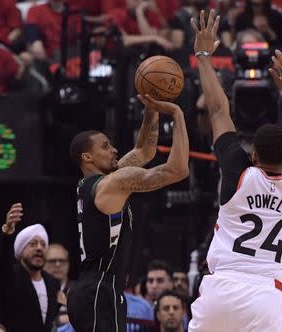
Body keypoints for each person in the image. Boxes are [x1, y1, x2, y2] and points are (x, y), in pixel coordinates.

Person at [188, 9, 282, 332]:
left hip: (221, 287)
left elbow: (217, 109)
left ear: (252, 153)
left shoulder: (238, 173)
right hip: (265, 293)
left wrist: (203, 55)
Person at [66, 94, 189, 332]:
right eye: (105, 146)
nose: (113, 150)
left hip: (93, 288)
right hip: (99, 289)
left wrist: (151, 109)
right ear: (87, 157)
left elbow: (143, 151)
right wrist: (177, 115)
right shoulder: (112, 183)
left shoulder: (95, 183)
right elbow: (178, 169)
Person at [0, 203, 61, 332]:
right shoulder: (10, 277)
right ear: (20, 250)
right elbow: (3, 262)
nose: (39, 248)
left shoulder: (53, 283)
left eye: (43, 244)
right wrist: (8, 231)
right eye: (32, 244)